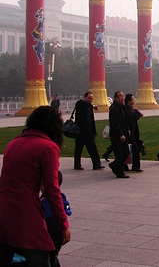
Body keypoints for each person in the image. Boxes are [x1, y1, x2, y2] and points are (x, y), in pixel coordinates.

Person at [0, 106, 71, 266]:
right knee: (40, 257)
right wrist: (63, 224)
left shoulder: (13, 143)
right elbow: (52, 190)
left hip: (3, 212)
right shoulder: (47, 147)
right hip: (26, 214)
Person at [40, 170, 72, 267]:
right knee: (53, 255)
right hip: (58, 232)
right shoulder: (60, 197)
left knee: (48, 257)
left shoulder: (46, 202)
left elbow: (45, 216)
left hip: (50, 233)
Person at [73, 92, 104, 171]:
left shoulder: (89, 107)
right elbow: (82, 104)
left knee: (93, 148)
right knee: (79, 149)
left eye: (91, 99)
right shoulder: (80, 104)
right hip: (81, 131)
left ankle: (96, 164)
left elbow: (91, 121)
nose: (90, 100)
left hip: (89, 132)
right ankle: (77, 164)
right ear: (85, 97)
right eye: (89, 98)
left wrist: (94, 131)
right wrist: (92, 106)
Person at [108, 91, 130, 179]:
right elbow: (115, 124)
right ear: (116, 98)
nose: (123, 98)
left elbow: (124, 121)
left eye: (123, 96)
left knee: (126, 152)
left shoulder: (122, 107)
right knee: (119, 154)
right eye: (121, 97)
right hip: (116, 135)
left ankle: (114, 165)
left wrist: (127, 130)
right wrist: (121, 134)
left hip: (123, 133)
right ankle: (119, 172)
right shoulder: (114, 109)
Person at [124, 93, 143, 173]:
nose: (134, 100)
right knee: (133, 149)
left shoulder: (130, 109)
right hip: (130, 133)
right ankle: (135, 166)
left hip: (133, 132)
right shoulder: (127, 110)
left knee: (127, 150)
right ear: (129, 101)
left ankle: (125, 165)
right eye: (133, 99)